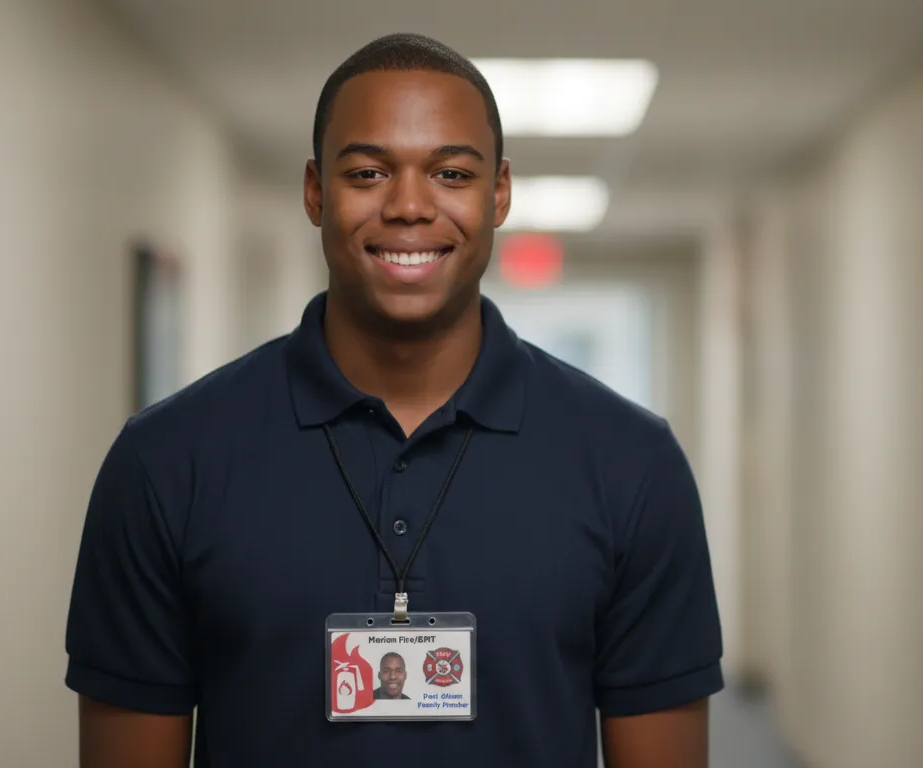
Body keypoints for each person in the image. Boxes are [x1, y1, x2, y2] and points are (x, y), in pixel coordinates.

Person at [65, 32, 722, 767]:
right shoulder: (165, 462)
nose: (409, 206)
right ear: (315, 191)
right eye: (369, 171)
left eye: (449, 172)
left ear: (498, 193)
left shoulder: (630, 464)